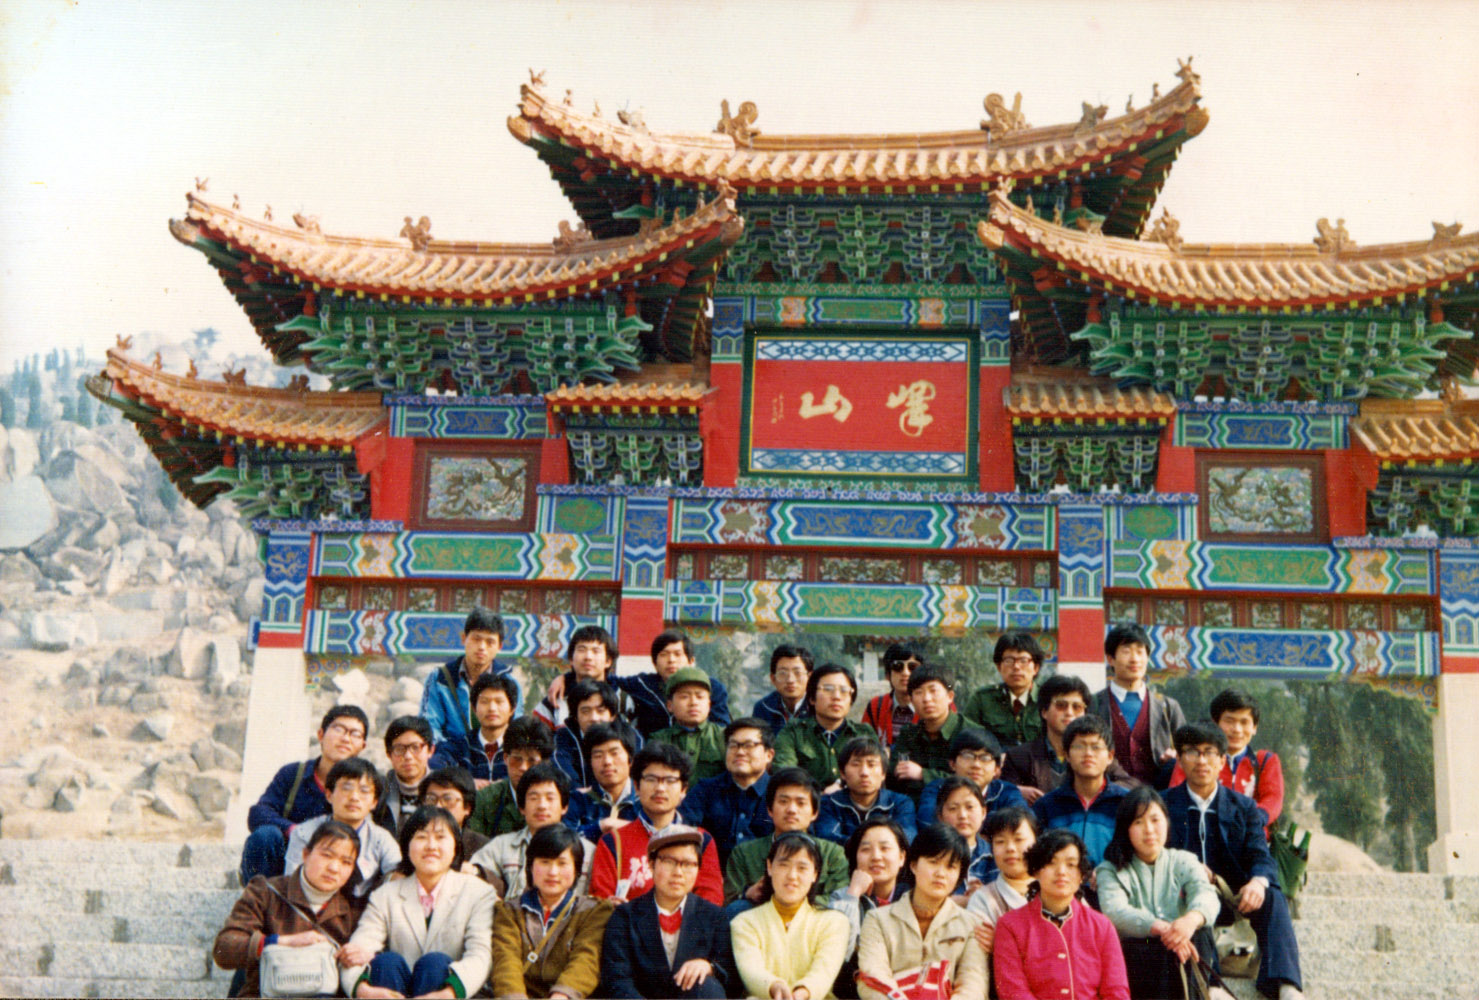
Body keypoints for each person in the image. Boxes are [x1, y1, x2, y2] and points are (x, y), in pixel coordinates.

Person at [1165, 724, 1304, 1000]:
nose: (1201, 761)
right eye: (1192, 752)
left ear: (1221, 761)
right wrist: (1189, 869)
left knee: (1273, 897)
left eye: (1209, 753)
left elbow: (1260, 855)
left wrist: (1257, 882)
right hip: (1186, 899)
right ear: (1179, 759)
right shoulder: (1163, 805)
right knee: (1191, 901)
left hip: (1233, 897)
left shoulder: (1243, 806)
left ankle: (1286, 985)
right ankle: (1213, 985)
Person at [338, 805, 497, 999]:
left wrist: (448, 994)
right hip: (395, 988)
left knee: (435, 964)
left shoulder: (479, 892)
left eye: (440, 837)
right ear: (407, 846)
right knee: (386, 963)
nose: (431, 846)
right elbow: (357, 950)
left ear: (455, 846)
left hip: (451, 994)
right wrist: (363, 991)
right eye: (421, 837)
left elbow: (481, 956)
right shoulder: (385, 895)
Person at [1096, 786, 1225, 1000]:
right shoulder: (1110, 869)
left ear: (1166, 821)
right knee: (1159, 946)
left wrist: (1190, 920)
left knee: (1201, 930)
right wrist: (1163, 928)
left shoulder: (1184, 860)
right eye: (1138, 822)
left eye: (1155, 820)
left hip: (1183, 951)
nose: (1149, 830)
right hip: (1141, 955)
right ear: (1126, 828)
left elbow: (1207, 895)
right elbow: (1115, 911)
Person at [214, 819, 365, 998]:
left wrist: (359, 955)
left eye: (346, 862)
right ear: (306, 854)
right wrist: (281, 942)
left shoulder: (352, 910)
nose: (334, 868)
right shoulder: (266, 891)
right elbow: (224, 948)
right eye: (326, 855)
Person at [599, 825, 735, 999]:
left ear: (698, 869)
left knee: (707, 986)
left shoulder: (714, 917)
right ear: (651, 865)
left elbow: (730, 974)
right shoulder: (625, 917)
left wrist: (710, 967)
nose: (678, 872)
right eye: (669, 862)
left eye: (688, 864)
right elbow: (617, 980)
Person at [992, 829, 1129, 1000]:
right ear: (1036, 870)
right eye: (1051, 863)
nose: (1061, 871)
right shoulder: (1010, 926)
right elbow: (1013, 992)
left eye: (1071, 865)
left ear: (1081, 875)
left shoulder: (1102, 926)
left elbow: (1116, 991)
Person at [856, 823, 988, 1000]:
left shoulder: (971, 925)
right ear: (913, 865)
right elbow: (873, 976)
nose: (941, 873)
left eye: (950, 867)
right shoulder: (878, 919)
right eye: (933, 862)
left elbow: (973, 984)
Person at [241, 705, 370, 884]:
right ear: (321, 735)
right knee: (265, 836)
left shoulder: (366, 787)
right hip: (287, 861)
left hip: (334, 865)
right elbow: (259, 813)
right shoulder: (294, 774)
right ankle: (260, 896)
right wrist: (294, 831)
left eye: (355, 734)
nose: (345, 738)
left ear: (363, 746)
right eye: (339, 729)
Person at [489, 824, 615, 1000]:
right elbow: (506, 961)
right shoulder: (509, 911)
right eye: (544, 862)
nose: (553, 872)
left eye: (562, 863)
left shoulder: (594, 912)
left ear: (576, 868)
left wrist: (562, 995)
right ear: (531, 866)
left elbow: (586, 960)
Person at [589, 742, 724, 905]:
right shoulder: (612, 842)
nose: (660, 788)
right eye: (651, 779)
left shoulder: (701, 840)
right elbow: (600, 901)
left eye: (670, 780)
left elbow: (711, 899)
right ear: (637, 786)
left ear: (683, 790)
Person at [730, 832, 851, 1000]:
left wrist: (803, 993)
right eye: (784, 865)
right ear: (770, 867)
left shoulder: (835, 922)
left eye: (802, 868)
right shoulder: (744, 922)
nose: (792, 875)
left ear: (815, 874)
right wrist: (775, 987)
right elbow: (751, 970)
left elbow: (824, 972)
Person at [724, 767, 849, 911]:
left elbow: (838, 899)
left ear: (814, 813)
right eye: (783, 802)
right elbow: (729, 899)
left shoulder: (832, 854)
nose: (792, 810)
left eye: (801, 803)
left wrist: (791, 900)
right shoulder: (745, 853)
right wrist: (747, 894)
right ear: (770, 810)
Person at [1169, 689, 1285, 839]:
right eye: (1229, 721)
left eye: (1244, 722)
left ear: (1254, 727)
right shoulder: (1194, 758)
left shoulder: (1265, 760)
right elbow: (1176, 794)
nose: (1237, 729)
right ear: (1215, 723)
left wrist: (1253, 819)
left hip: (1250, 838)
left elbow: (1273, 799)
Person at [471, 762, 595, 899]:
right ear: (522, 808)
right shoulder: (501, 846)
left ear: (564, 806)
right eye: (534, 798)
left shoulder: (588, 852)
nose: (542, 805)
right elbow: (472, 879)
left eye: (550, 798)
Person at [1003, 674, 1132, 804]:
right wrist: (1016, 791)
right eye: (1061, 705)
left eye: (1077, 707)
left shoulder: (1096, 754)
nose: (1069, 713)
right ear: (1044, 712)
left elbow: (1129, 783)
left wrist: (1097, 791)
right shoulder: (1019, 756)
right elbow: (1002, 792)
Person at [284, 758, 401, 897]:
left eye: (364, 791)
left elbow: (398, 875)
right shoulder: (304, 833)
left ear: (374, 802)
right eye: (346, 788)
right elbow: (293, 882)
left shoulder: (381, 839)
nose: (354, 797)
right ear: (329, 795)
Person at [1090, 624, 1185, 788]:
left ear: (1147, 658)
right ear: (1110, 659)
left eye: (1140, 652)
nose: (1134, 659)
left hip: (1158, 797)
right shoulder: (1094, 704)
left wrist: (1176, 757)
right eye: (1126, 652)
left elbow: (1188, 750)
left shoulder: (1168, 707)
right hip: (1108, 796)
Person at [826, 819, 911, 1000]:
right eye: (865, 849)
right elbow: (836, 955)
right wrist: (853, 894)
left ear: (902, 857)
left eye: (885, 848)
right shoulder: (842, 898)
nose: (876, 856)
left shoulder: (913, 898)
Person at [1033, 715, 1131, 866]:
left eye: (1096, 747)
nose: (1088, 753)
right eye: (1079, 746)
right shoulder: (1046, 806)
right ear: (1067, 755)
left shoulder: (1126, 803)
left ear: (1110, 756)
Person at [420, 606, 522, 745]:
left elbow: (516, 729)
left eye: (490, 642)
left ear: (499, 646)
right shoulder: (440, 678)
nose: (482, 647)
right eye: (476, 639)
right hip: (450, 754)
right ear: (464, 638)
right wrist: (450, 753)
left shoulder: (508, 681)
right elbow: (429, 727)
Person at [682, 717, 776, 862]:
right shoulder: (705, 790)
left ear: (769, 755)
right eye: (733, 745)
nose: (740, 752)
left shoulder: (779, 793)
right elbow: (684, 830)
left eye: (749, 745)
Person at [609, 629, 733, 737]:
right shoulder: (644, 684)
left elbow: (721, 728)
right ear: (655, 664)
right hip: (654, 750)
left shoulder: (711, 688)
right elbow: (608, 681)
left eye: (678, 654)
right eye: (664, 655)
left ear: (691, 661)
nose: (671, 660)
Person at [772, 662, 873, 788]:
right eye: (828, 689)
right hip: (807, 800)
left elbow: (874, 775)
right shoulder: (793, 732)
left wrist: (840, 787)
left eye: (843, 691)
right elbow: (785, 775)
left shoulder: (864, 733)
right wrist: (819, 795)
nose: (836, 697)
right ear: (812, 698)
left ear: (851, 700)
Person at [889, 663, 981, 799]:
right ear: (912, 701)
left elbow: (974, 781)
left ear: (950, 696)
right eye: (919, 692)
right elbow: (895, 775)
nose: (926, 699)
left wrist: (923, 774)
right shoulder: (908, 734)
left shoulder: (972, 733)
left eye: (933, 691)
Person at [816, 736, 918, 845]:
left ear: (883, 774)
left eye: (871, 765)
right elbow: (827, 840)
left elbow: (906, 838)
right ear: (842, 773)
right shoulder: (828, 804)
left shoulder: (900, 804)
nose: (864, 772)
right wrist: (875, 845)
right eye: (856, 764)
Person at [918, 728, 1026, 828]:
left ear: (996, 769)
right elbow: (927, 822)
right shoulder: (937, 789)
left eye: (985, 758)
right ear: (952, 763)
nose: (976, 765)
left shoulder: (1006, 791)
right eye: (968, 756)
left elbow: (1022, 822)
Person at [469, 716, 555, 838]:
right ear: (506, 758)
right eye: (517, 759)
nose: (523, 767)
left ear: (544, 763)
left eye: (532, 760)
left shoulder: (554, 800)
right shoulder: (484, 800)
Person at [534, 624, 630, 730]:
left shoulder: (624, 700)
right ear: (571, 659)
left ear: (608, 661)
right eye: (581, 649)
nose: (588, 657)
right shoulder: (553, 702)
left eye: (596, 651)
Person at [553, 678, 644, 789]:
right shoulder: (563, 737)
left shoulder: (632, 736)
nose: (594, 718)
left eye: (600, 711)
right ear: (575, 717)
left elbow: (638, 773)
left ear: (613, 716)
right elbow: (563, 772)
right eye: (586, 711)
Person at [961, 631, 1046, 749]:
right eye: (1009, 660)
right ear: (999, 667)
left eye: (1023, 660)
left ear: (1036, 668)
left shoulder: (1048, 699)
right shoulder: (981, 699)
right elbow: (966, 738)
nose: (1016, 667)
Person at [431, 671, 518, 784]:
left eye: (499, 702)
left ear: (512, 709)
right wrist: (466, 784)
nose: (492, 708)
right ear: (474, 708)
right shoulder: (457, 747)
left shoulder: (522, 747)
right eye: (484, 702)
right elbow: (435, 770)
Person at [566, 722, 641, 843]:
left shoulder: (645, 799)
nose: (607, 761)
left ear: (630, 759)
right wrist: (601, 827)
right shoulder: (578, 799)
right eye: (598, 755)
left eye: (614, 753)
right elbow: (563, 841)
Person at [649, 667, 728, 781]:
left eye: (700, 697)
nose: (693, 702)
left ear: (709, 704)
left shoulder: (724, 737)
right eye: (684, 697)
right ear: (670, 705)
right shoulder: (658, 739)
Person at [966, 806, 1038, 930]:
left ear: (1036, 842)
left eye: (1019, 839)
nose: (1010, 848)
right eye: (1000, 841)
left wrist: (999, 938)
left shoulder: (1057, 890)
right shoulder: (982, 900)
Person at [418, 766, 492, 878]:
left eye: (448, 799)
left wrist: (476, 871)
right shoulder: (413, 840)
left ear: (467, 807)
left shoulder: (483, 846)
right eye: (431, 799)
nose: (438, 806)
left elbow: (498, 883)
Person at [932, 777, 996, 894]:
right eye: (953, 808)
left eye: (969, 807)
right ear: (940, 816)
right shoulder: (930, 856)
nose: (962, 815)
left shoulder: (995, 856)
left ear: (983, 812)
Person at [377, 716, 435, 835]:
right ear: (389, 754)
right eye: (399, 749)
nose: (408, 756)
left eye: (415, 747)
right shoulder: (378, 790)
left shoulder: (444, 790)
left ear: (430, 750)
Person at [861, 643, 922, 747]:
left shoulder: (933, 706)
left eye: (912, 667)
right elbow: (862, 746)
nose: (905, 673)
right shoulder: (876, 706)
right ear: (887, 675)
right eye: (897, 666)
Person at [752, 644, 814, 733]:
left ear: (810, 677)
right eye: (783, 673)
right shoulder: (763, 708)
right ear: (773, 679)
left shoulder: (819, 706)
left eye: (797, 673)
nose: (790, 680)